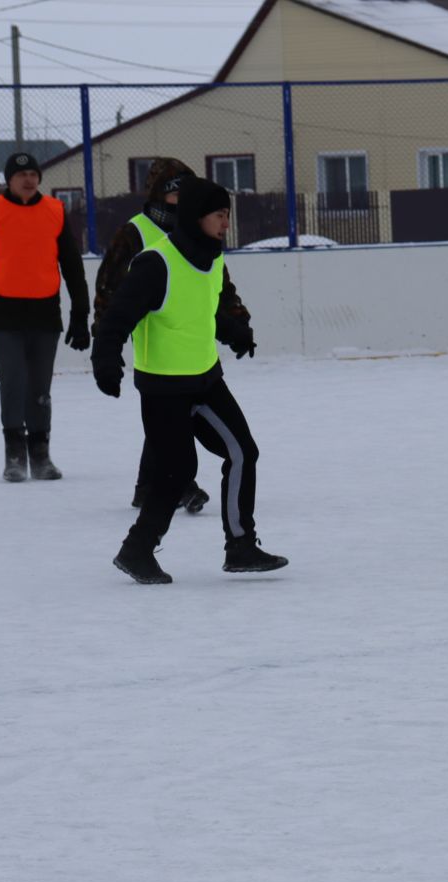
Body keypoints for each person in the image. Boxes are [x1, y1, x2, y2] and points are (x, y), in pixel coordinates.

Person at [92, 178, 283, 584]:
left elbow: (202, 310)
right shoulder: (155, 263)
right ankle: (137, 550)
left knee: (243, 452)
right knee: (176, 471)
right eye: (219, 215)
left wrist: (233, 332)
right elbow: (117, 317)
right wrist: (105, 359)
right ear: (197, 217)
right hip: (163, 388)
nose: (225, 223)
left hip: (206, 380)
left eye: (228, 214)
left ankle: (241, 546)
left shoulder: (212, 259)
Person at [92, 157, 225, 518]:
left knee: (166, 415)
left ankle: (148, 486)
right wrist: (104, 346)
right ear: (158, 195)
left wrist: (235, 321)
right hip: (152, 341)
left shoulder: (200, 231)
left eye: (188, 192)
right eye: (174, 193)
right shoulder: (134, 233)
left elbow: (218, 286)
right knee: (168, 414)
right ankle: (179, 484)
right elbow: (108, 289)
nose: (182, 199)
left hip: (188, 344)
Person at [0, 151, 90, 482]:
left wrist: (79, 315)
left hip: (45, 313)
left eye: (33, 174)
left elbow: (72, 267)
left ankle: (40, 454)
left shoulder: (55, 211)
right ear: (9, 180)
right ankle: (14, 454)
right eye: (21, 175)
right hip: (4, 313)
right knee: (13, 380)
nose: (28, 179)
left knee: (40, 386)